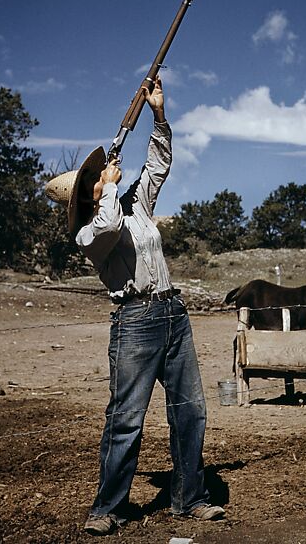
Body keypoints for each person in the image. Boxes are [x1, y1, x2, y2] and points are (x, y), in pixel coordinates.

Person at [45, 76, 224, 536]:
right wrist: (106, 191)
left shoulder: (135, 207)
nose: (101, 179)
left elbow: (158, 166)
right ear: (86, 197)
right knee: (126, 418)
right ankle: (108, 508)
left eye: (98, 176)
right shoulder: (89, 233)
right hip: (135, 322)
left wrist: (158, 114)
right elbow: (105, 229)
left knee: (191, 411)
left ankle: (190, 499)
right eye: (92, 181)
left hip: (173, 315)